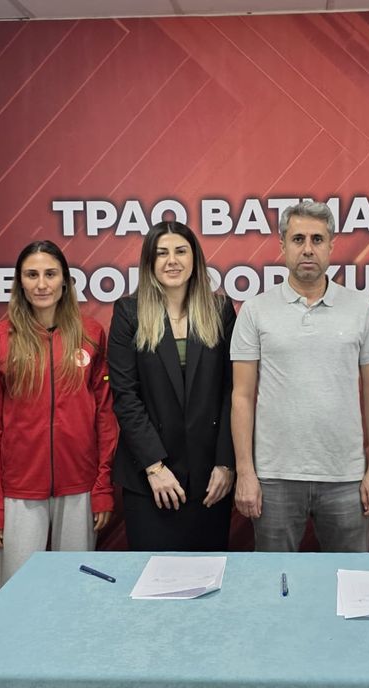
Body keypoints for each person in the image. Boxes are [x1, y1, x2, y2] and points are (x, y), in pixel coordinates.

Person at [231, 199, 369, 552]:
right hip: (274, 477)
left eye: (317, 239)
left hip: (345, 477)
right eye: (298, 239)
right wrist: (245, 472)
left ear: (331, 245)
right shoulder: (256, 310)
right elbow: (241, 396)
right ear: (283, 245)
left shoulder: (361, 308)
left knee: (349, 578)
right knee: (275, 579)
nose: (307, 249)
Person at [0, 240, 117, 583]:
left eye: (50, 274)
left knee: (77, 590)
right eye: (32, 275)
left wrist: (102, 486)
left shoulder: (91, 334)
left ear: (65, 281)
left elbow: (105, 416)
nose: (41, 284)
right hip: (19, 489)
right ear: (20, 282)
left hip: (80, 486)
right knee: (20, 594)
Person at [108, 222, 237, 551]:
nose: (172, 261)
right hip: (150, 480)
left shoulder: (220, 311)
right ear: (149, 262)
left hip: (211, 480)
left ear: (195, 259)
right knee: (154, 578)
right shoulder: (128, 313)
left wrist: (226, 463)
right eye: (161, 253)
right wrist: (154, 467)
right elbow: (126, 397)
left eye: (180, 251)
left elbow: (231, 392)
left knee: (209, 576)